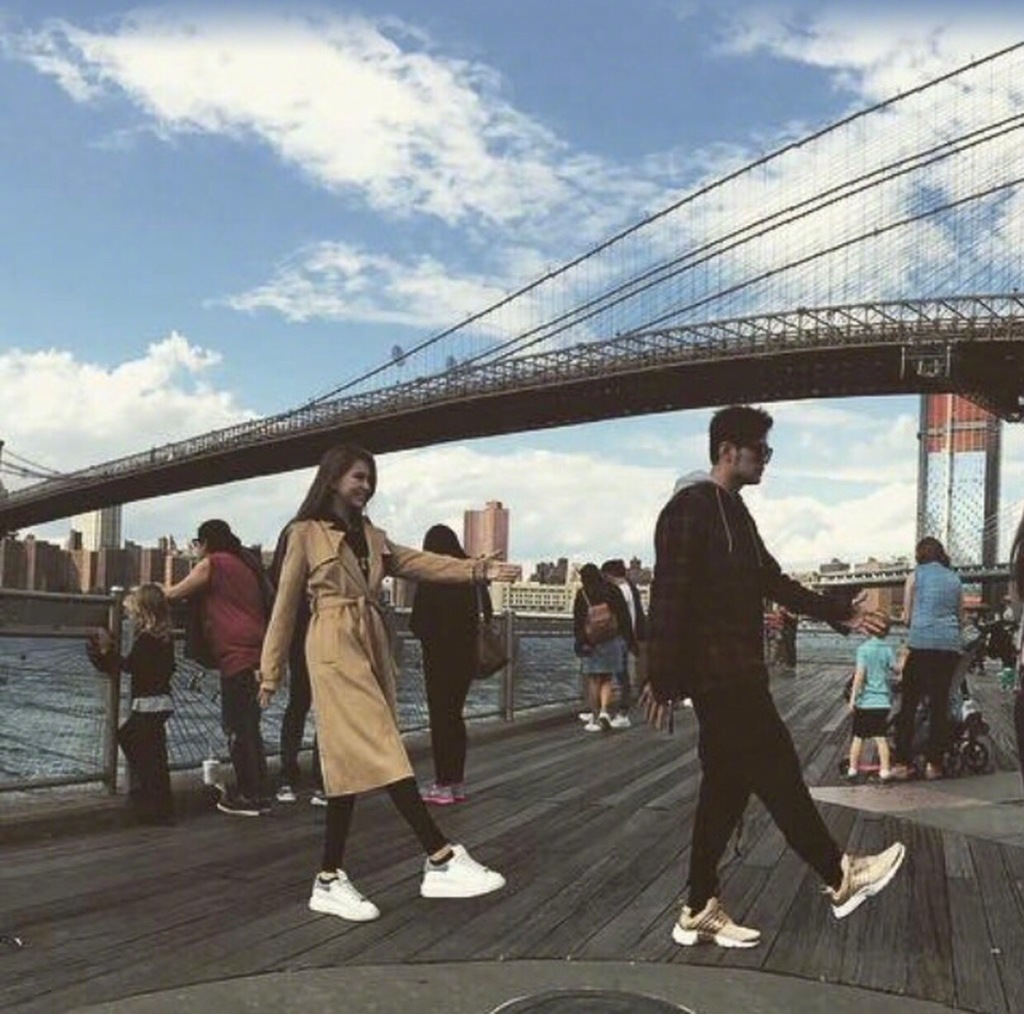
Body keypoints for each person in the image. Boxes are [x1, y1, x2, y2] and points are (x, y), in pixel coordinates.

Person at [642, 404, 905, 949]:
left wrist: (841, 613)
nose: (767, 459)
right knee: (777, 766)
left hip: (741, 669)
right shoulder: (688, 509)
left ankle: (698, 907)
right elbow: (669, 594)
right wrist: (661, 677)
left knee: (725, 788)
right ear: (727, 451)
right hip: (718, 676)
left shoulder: (736, 512)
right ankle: (839, 874)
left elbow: (774, 581)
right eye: (760, 450)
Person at [257, 444, 515, 922]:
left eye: (370, 478)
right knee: (380, 739)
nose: (366, 486)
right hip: (332, 645)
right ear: (332, 478)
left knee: (346, 763)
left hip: (372, 643)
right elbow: (285, 607)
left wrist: (478, 570)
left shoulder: (373, 537)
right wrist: (270, 672)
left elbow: (423, 563)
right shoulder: (304, 534)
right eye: (358, 476)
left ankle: (328, 878)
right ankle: (439, 855)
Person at [167, 519, 271, 816]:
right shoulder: (246, 564)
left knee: (236, 727)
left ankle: (248, 797)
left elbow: (174, 593)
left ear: (205, 543)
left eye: (197, 544)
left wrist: (144, 594)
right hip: (259, 651)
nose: (196, 549)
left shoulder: (213, 564)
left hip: (236, 655)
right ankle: (260, 792)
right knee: (250, 726)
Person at [410, 524, 488, 805]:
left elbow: (418, 622)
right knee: (455, 718)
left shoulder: (433, 576)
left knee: (441, 720)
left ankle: (443, 784)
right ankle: (456, 783)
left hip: (439, 658)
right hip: (466, 657)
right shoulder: (470, 574)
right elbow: (487, 611)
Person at [87, 584, 175, 825]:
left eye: (133, 612)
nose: (131, 617)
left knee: (133, 742)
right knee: (155, 754)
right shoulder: (165, 638)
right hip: (161, 701)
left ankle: (153, 803)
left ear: (143, 612)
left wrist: (107, 650)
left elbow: (130, 666)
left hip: (147, 704)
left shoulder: (146, 639)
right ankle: (160, 806)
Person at [890, 537, 964, 781]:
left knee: (909, 704)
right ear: (941, 554)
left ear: (919, 555)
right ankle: (934, 765)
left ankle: (903, 763)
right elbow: (960, 618)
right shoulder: (955, 579)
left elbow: (907, 618)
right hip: (948, 648)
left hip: (921, 645)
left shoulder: (915, 576)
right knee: (939, 705)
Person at [269, 524, 325, 806]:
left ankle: (288, 777)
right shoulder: (320, 539)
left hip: (299, 637)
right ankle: (322, 780)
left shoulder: (292, 536)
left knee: (298, 705)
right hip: (323, 635)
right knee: (325, 708)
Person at [573, 563, 631, 732]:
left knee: (593, 679)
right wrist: (627, 638)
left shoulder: (583, 593)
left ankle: (595, 717)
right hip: (612, 639)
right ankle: (605, 711)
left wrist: (581, 641)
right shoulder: (612, 590)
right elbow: (623, 615)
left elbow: (578, 620)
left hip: (592, 640)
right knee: (607, 678)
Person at [846, 618, 898, 782]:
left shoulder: (863, 649)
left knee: (858, 737)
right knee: (881, 738)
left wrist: (853, 698)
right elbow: (896, 669)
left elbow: (859, 675)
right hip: (882, 702)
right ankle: (884, 770)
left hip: (865, 702)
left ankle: (852, 769)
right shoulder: (887, 649)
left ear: (868, 630)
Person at [600, 558, 647, 729]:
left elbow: (620, 616)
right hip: (628, 637)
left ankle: (621, 713)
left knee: (618, 676)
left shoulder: (618, 591)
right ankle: (612, 711)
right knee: (621, 675)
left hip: (620, 637)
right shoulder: (631, 588)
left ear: (609, 574)